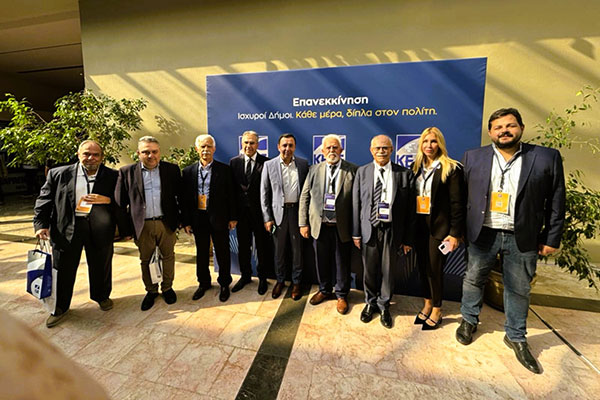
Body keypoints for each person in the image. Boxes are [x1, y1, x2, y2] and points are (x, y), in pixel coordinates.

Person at [456, 108, 565, 374]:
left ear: (521, 128)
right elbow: (461, 199)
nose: (504, 131)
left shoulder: (545, 157)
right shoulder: (473, 157)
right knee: (473, 279)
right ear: (490, 132)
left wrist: (552, 237)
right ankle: (468, 320)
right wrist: (458, 230)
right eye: (498, 127)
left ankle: (516, 336)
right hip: (483, 233)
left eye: (510, 125)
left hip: (522, 235)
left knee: (519, 288)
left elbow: (557, 200)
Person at [34, 140, 123, 328]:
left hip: (99, 229)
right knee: (63, 269)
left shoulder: (113, 176)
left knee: (101, 265)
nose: (91, 158)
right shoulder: (58, 174)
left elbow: (123, 202)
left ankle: (101, 296)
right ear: (78, 154)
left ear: (102, 157)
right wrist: (41, 225)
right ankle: (60, 307)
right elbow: (44, 200)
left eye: (96, 155)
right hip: (66, 228)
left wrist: (107, 200)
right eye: (86, 154)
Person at [352, 135, 416, 328]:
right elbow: (356, 204)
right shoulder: (362, 172)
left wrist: (407, 239)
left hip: (392, 230)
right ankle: (370, 303)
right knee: (369, 270)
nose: (381, 151)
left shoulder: (404, 174)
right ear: (371, 150)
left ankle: (384, 305)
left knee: (388, 271)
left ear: (391, 150)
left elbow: (410, 210)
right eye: (377, 148)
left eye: (385, 148)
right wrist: (356, 232)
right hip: (369, 229)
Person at [115, 136, 182, 311]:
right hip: (142, 225)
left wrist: (181, 221)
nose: (151, 155)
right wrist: (126, 230)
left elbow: (181, 197)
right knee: (146, 259)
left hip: (165, 223)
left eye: (154, 151)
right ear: (138, 153)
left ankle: (167, 288)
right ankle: (151, 291)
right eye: (146, 152)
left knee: (168, 257)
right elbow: (120, 204)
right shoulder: (127, 172)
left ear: (159, 152)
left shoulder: (171, 170)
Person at [411, 127, 465, 330]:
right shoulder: (416, 167)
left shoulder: (451, 168)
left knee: (435, 269)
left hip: (440, 229)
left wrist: (454, 233)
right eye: (425, 142)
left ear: (440, 144)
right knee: (423, 268)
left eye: (433, 141)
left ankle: (437, 308)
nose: (429, 146)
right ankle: (427, 303)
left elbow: (457, 204)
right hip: (419, 227)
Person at [299, 134, 357, 314]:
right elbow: (305, 196)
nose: (332, 150)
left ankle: (341, 295)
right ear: (323, 151)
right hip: (320, 226)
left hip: (342, 227)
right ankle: (324, 290)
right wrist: (303, 223)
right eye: (328, 148)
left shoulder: (353, 170)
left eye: (335, 147)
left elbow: (358, 202)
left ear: (341, 150)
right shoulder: (314, 170)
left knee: (342, 262)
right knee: (321, 261)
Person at [182, 134, 237, 302]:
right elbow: (184, 199)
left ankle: (224, 284)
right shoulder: (188, 172)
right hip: (198, 218)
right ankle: (203, 283)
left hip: (219, 217)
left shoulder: (224, 170)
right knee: (202, 252)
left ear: (214, 149)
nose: (206, 150)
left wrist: (232, 217)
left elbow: (232, 195)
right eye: (202, 146)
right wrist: (186, 222)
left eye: (209, 146)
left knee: (222, 252)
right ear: (197, 149)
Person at [260, 133, 308, 300]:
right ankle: (280, 281)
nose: (287, 148)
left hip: (297, 213)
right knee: (279, 251)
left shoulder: (303, 164)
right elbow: (264, 194)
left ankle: (296, 282)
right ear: (278, 147)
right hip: (277, 215)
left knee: (297, 251)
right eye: (284, 145)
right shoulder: (269, 165)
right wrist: (267, 218)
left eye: (290, 145)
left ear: (294, 147)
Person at [229, 131, 273, 295]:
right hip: (241, 215)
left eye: (252, 143)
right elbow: (232, 192)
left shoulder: (266, 163)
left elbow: (269, 191)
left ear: (258, 144)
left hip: (260, 214)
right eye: (246, 142)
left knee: (262, 247)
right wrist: (233, 216)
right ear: (242, 144)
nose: (249, 146)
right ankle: (245, 276)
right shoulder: (234, 162)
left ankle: (263, 278)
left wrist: (269, 216)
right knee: (243, 247)